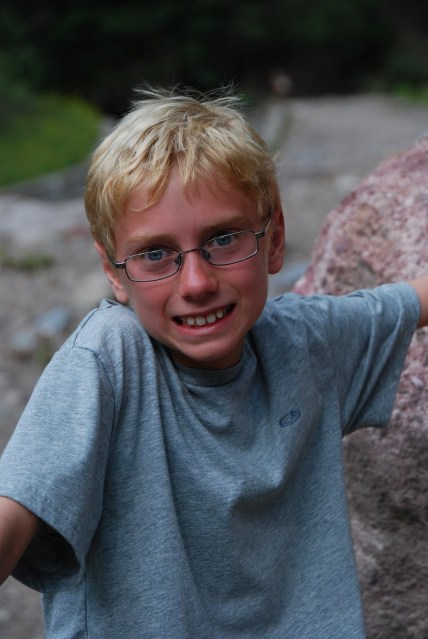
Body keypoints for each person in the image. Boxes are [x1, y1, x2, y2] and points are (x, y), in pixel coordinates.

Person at [0, 87, 427, 639]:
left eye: (223, 239)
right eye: (156, 254)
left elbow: (410, 300)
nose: (197, 283)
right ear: (113, 273)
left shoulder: (307, 342)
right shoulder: (108, 360)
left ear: (275, 239)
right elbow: (12, 516)